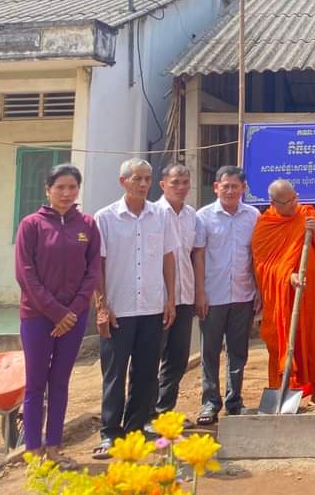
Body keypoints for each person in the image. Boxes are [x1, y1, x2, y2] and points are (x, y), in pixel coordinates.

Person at [14, 164, 100, 468]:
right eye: (60, 187)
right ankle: (32, 450)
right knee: (36, 384)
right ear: (47, 190)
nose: (66, 193)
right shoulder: (31, 225)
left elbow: (93, 271)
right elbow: (25, 273)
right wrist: (55, 311)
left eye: (72, 187)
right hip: (37, 317)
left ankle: (53, 447)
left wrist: (72, 311)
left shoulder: (87, 225)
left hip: (73, 319)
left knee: (60, 382)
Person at [93, 159, 177, 459]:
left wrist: (170, 298)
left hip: (152, 306)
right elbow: (97, 264)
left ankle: (135, 429)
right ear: (123, 181)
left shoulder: (161, 215)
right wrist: (102, 306)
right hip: (119, 309)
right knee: (114, 374)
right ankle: (110, 433)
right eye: (137, 179)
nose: (143, 184)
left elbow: (168, 257)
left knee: (146, 373)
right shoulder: (105, 218)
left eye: (147, 179)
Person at [252, 178, 315, 406]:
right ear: (273, 203)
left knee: (313, 340)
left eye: (295, 198)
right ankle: (284, 392)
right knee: (284, 343)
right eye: (287, 202)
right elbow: (263, 266)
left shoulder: (307, 215)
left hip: (310, 293)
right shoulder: (265, 227)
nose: (294, 204)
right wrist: (288, 276)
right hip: (283, 298)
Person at [193, 165, 260, 424]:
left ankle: (235, 402)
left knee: (238, 352)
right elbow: (198, 255)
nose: (230, 191)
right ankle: (210, 403)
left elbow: (255, 256)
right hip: (213, 295)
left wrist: (259, 290)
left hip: (243, 294)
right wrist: (200, 292)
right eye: (226, 186)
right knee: (209, 352)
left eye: (235, 186)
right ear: (216, 188)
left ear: (244, 188)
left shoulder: (253, 216)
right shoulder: (203, 217)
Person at [153, 163, 197, 420]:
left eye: (185, 182)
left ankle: (163, 412)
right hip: (157, 299)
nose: (181, 187)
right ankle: (145, 414)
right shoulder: (153, 214)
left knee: (178, 359)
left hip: (185, 296)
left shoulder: (192, 215)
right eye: (175, 183)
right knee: (151, 358)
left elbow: (194, 255)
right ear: (163, 185)